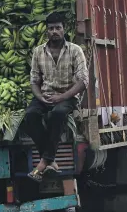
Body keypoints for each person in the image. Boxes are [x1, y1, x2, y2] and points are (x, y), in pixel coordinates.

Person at [23, 12, 89, 182]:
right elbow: (34, 81)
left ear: (63, 29)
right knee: (30, 116)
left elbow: (83, 82)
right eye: (51, 28)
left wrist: (62, 97)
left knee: (58, 114)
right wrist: (40, 97)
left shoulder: (75, 50)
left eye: (58, 28)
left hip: (67, 96)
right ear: (47, 31)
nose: (54, 32)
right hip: (45, 96)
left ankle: (44, 162)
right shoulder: (38, 52)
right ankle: (51, 160)